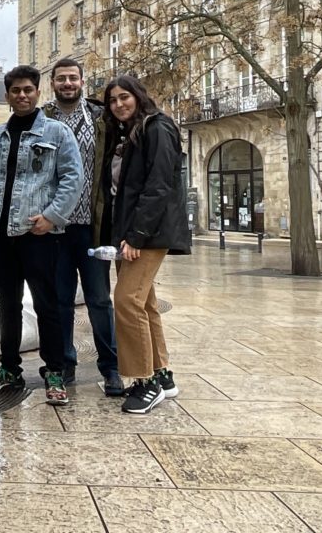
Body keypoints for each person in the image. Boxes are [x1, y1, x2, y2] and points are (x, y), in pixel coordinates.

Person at [0, 65, 83, 406]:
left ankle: (54, 370)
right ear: (7, 96)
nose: (22, 95)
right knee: (8, 306)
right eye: (16, 90)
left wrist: (51, 217)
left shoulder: (57, 133)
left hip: (38, 234)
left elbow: (72, 178)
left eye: (28, 90)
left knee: (47, 305)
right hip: (2, 235)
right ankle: (9, 368)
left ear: (38, 93)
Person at [101, 73, 191, 414]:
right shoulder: (132, 133)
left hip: (147, 233)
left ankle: (144, 381)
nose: (119, 104)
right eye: (113, 100)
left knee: (125, 301)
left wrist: (137, 235)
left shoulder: (158, 128)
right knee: (145, 303)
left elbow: (158, 185)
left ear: (138, 96)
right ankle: (162, 374)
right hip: (131, 232)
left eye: (124, 97)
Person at [43, 58, 122, 395]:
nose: (68, 84)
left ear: (82, 81)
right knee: (59, 300)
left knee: (99, 299)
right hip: (55, 228)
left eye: (73, 78)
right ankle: (64, 365)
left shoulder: (100, 117)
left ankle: (111, 368)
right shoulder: (42, 118)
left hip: (92, 226)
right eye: (61, 79)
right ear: (53, 83)